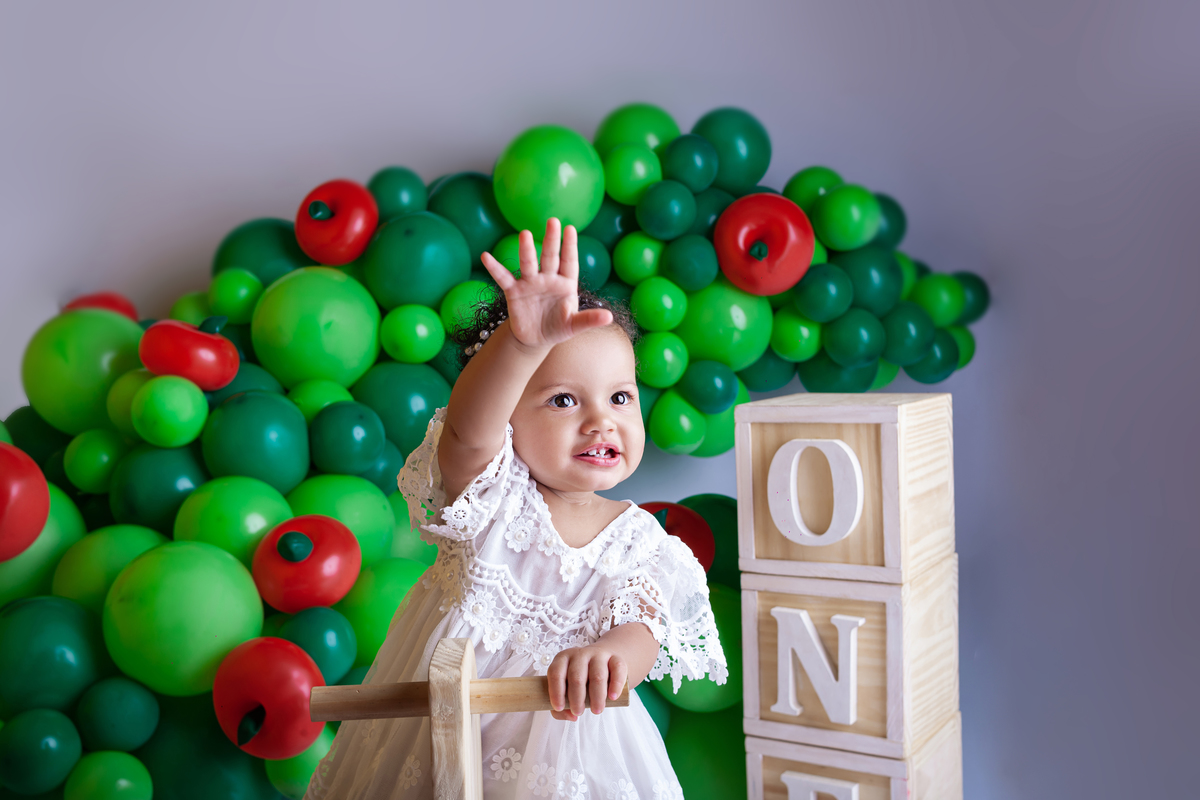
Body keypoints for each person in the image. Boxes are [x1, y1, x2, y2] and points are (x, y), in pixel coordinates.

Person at [305, 218, 726, 800]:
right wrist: (521, 345)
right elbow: (467, 435)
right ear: (509, 417)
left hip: (569, 755)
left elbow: (644, 626)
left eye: (620, 397)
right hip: (446, 738)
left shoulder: (642, 543)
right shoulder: (493, 500)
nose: (600, 419)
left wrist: (611, 656)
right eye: (563, 399)